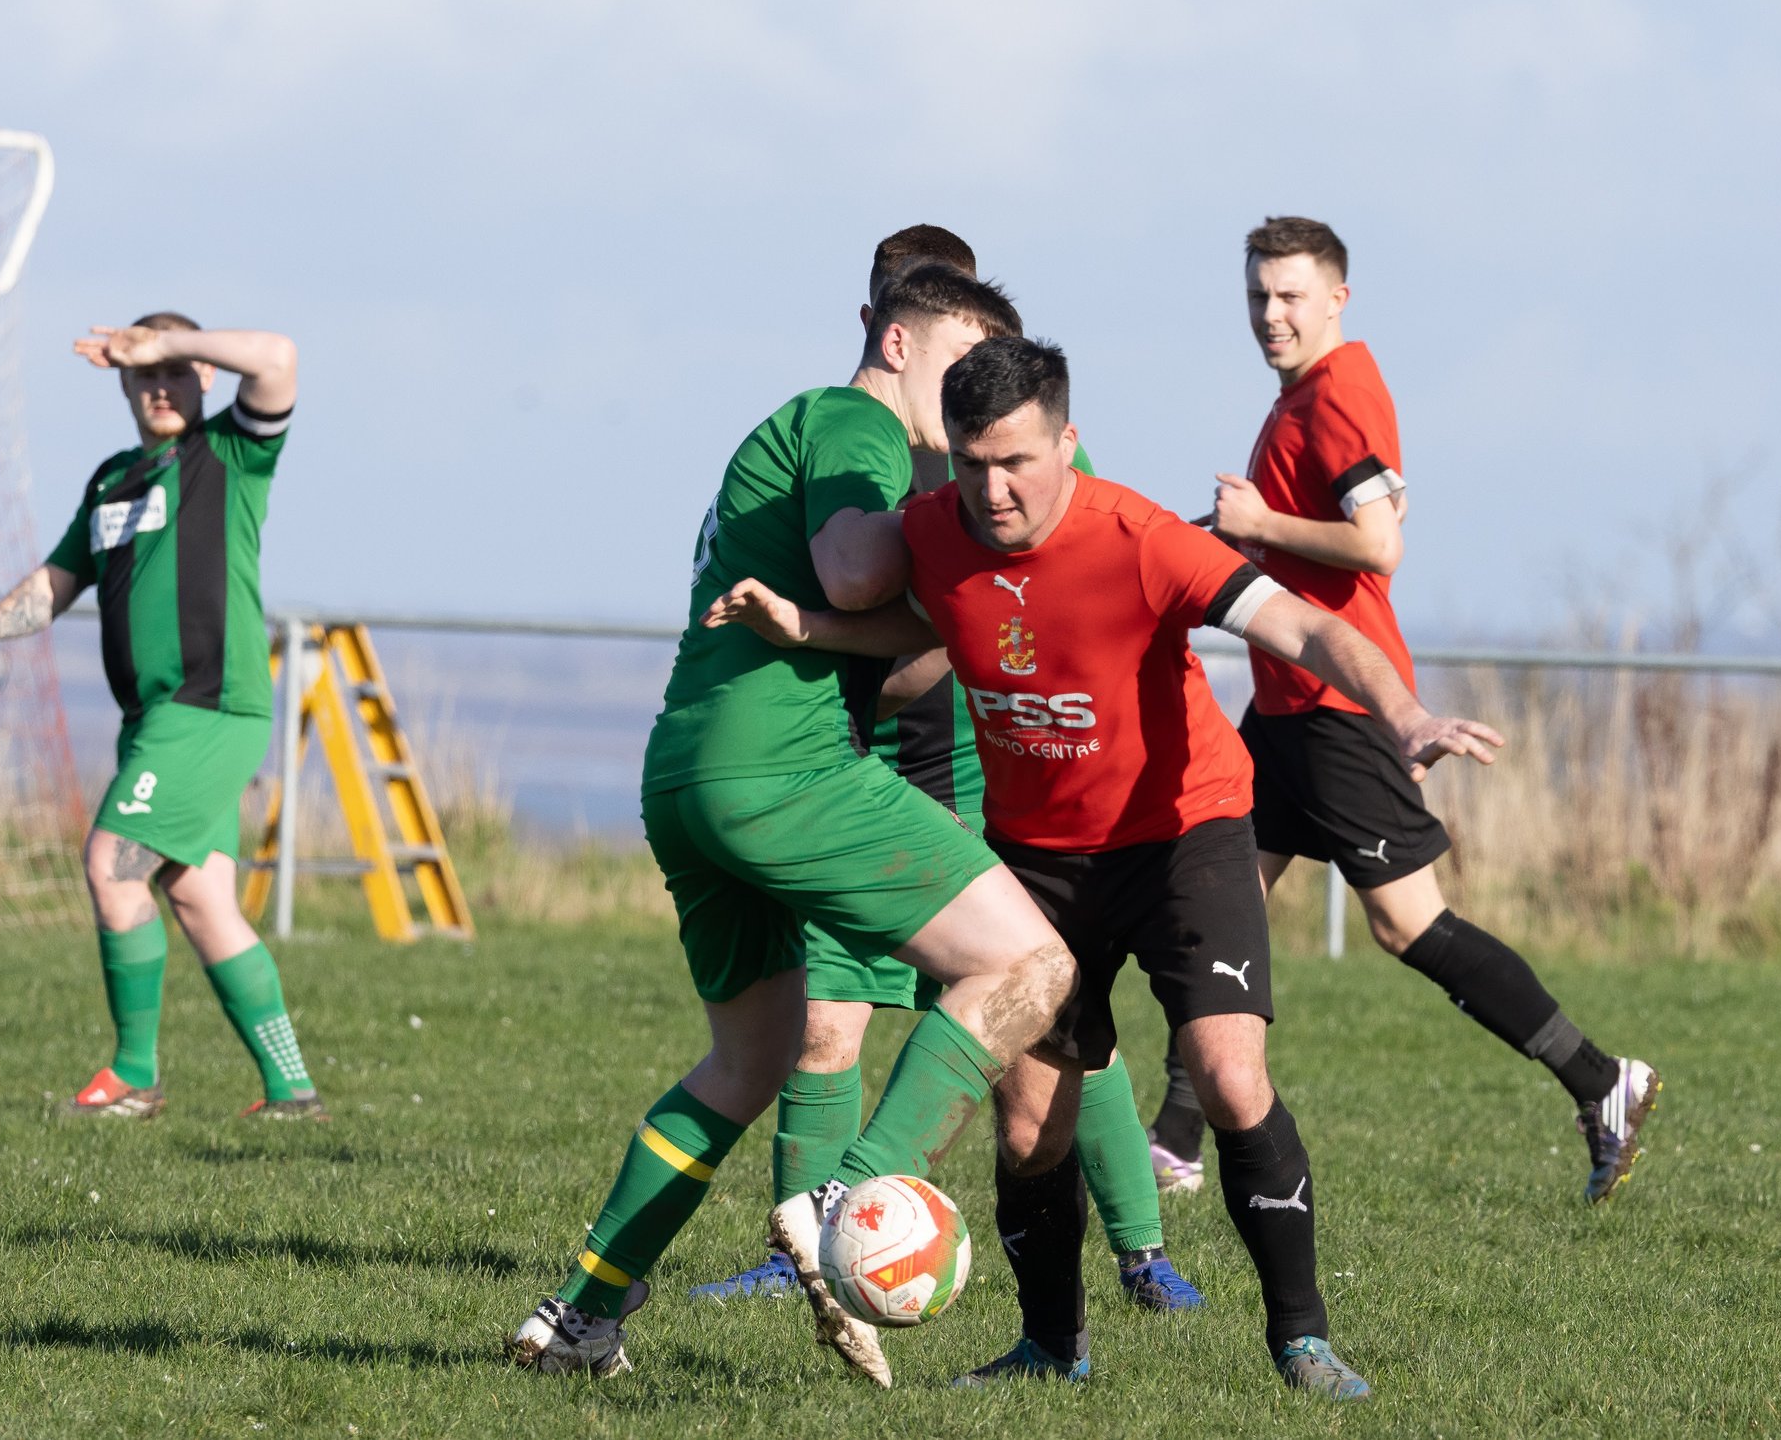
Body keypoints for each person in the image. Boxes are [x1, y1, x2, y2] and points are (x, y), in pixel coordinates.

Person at [704, 336, 1504, 1399]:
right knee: (1033, 1121)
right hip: (1039, 863)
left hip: (1185, 836)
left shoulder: (1140, 538)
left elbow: (1307, 626)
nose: (995, 488)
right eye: (976, 462)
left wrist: (1404, 715)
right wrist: (802, 624)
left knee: (1227, 1076)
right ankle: (1050, 1348)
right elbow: (921, 619)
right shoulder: (935, 531)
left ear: (1066, 442)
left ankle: (1301, 1340)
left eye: (1019, 462)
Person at [509, 265, 1075, 1387]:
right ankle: (848, 1193)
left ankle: (581, 1315)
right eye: (959, 364)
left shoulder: (796, 432)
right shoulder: (857, 419)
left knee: (747, 1058)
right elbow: (855, 568)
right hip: (784, 765)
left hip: (689, 765)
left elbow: (888, 651)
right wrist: (955, 532)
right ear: (902, 344)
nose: (967, 402)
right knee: (1032, 960)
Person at [689, 226, 1203, 1315]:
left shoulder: (1000, 449)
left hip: (966, 770)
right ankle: (813, 1254)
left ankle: (1141, 1252)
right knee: (828, 1023)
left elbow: (1071, 578)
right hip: (847, 768)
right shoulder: (856, 447)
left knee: (1040, 1019)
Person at [1149, 216, 1659, 1205]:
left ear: (1337, 297)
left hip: (1338, 705)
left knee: (1406, 926)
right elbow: (1327, 533)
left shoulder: (1338, 389)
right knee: (1217, 904)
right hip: (1282, 708)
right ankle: (1174, 1139)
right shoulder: (1301, 396)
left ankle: (1601, 1081)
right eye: (1257, 294)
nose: (1270, 313)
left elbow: (1377, 544)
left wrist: (1260, 523)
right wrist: (1218, 543)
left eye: (1291, 295)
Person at [0, 314, 321, 1121]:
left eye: (177, 369)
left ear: (203, 376)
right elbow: (59, 579)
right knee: (200, 900)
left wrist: (167, 341)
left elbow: (280, 358)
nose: (161, 385)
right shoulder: (112, 479)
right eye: (145, 374)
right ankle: (293, 1092)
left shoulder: (230, 452)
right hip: (155, 721)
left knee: (112, 864)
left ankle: (134, 1075)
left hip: (208, 708)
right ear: (122, 385)